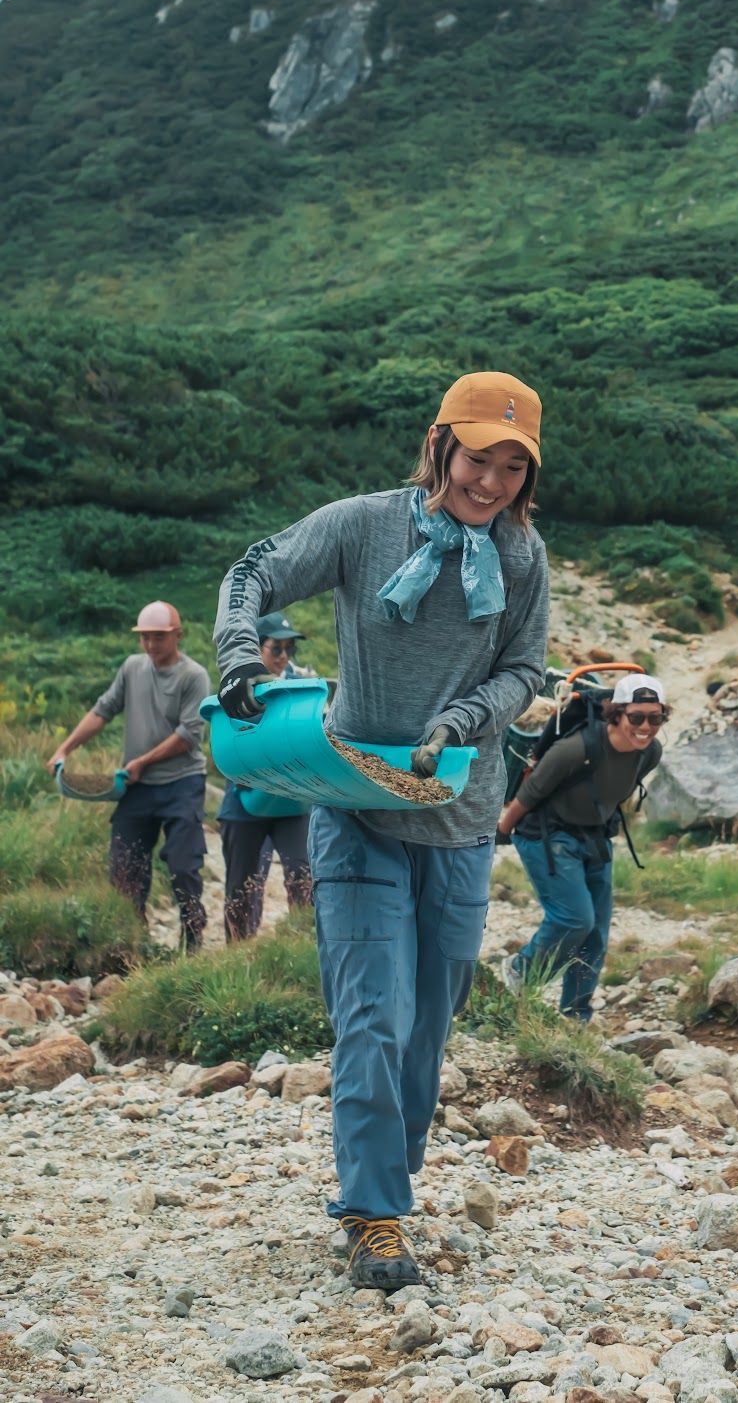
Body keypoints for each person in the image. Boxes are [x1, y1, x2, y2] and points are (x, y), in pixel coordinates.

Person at [213, 371, 548, 1292]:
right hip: (356, 809)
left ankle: (387, 1187)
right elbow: (254, 570)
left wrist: (466, 717)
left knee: (426, 1027)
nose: (491, 482)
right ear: (441, 442)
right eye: (480, 457)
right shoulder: (364, 525)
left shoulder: (522, 558)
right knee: (374, 1014)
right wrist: (239, 649)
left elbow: (527, 669)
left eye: (513, 467)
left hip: (462, 819)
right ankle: (374, 1214)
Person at [498, 673, 667, 1023]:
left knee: (596, 934)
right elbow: (527, 796)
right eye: (636, 717)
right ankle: (519, 972)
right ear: (616, 714)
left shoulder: (650, 753)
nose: (645, 726)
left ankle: (576, 1014)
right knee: (574, 918)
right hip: (545, 834)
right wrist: (499, 831)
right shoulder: (575, 749)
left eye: (655, 717)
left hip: (594, 837)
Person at [48, 600, 211, 950]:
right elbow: (102, 711)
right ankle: (132, 945)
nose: (151, 645)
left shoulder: (193, 676)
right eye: (145, 638)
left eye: (159, 638)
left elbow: (189, 736)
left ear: (177, 635)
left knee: (183, 865)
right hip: (137, 787)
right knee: (125, 867)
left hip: (182, 783)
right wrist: (65, 748)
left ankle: (193, 938)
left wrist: (142, 761)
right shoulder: (132, 668)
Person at [217, 611, 314, 942]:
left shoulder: (301, 683)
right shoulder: (237, 685)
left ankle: (303, 950)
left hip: (292, 802)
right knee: (242, 885)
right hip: (245, 801)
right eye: (277, 649)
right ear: (257, 649)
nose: (284, 656)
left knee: (303, 878)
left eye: (290, 649)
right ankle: (238, 954)